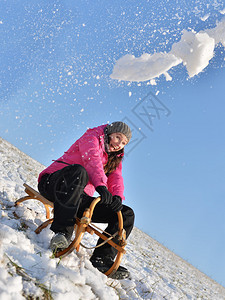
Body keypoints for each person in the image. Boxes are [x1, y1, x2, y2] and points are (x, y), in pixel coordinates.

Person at [37, 121, 135, 279]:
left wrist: (117, 196)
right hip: (55, 184)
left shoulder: (115, 156)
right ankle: (62, 233)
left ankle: (102, 259)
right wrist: (101, 186)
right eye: (118, 138)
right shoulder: (92, 137)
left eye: (124, 142)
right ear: (110, 132)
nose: (119, 144)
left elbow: (116, 177)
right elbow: (92, 160)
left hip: (78, 197)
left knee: (126, 213)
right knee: (79, 171)